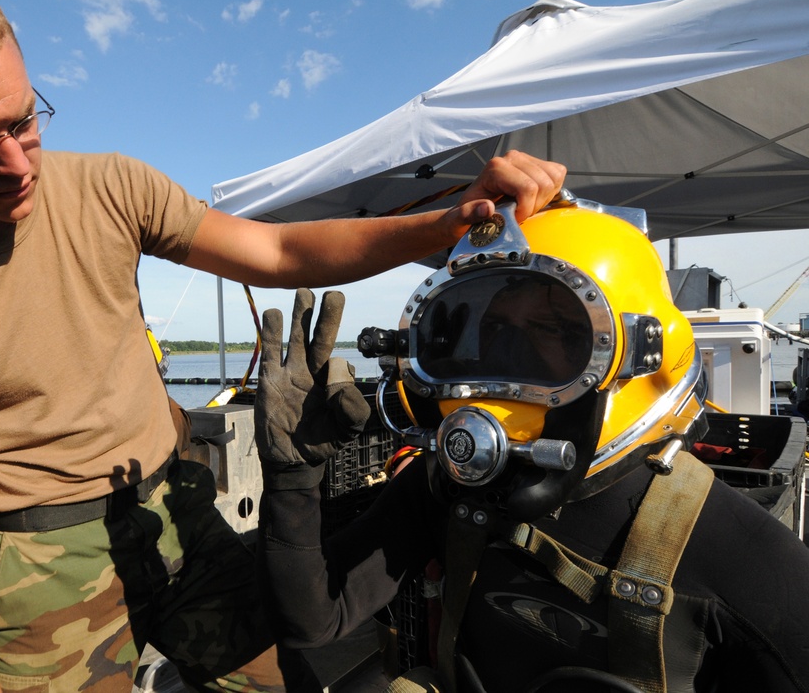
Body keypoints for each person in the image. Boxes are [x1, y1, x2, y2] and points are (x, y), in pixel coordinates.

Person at [0, 0, 566, 691]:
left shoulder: (110, 187)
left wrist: (447, 221)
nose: (15, 164)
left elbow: (274, 254)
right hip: (38, 566)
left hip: (177, 508)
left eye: (23, 120)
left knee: (286, 679)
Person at [253, 198, 809, 692]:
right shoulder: (446, 492)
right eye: (491, 331)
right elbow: (313, 618)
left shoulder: (746, 557)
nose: (504, 360)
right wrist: (293, 480)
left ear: (641, 353)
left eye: (550, 329)